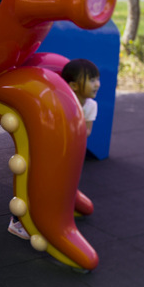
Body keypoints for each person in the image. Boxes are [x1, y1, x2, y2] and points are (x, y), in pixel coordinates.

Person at [7, 58, 100, 240]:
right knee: (32, 184)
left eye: (97, 79)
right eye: (91, 80)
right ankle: (17, 222)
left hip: (67, 153)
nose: (97, 84)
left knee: (60, 186)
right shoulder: (58, 101)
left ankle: (56, 215)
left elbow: (87, 131)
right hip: (46, 151)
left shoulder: (91, 105)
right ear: (73, 85)